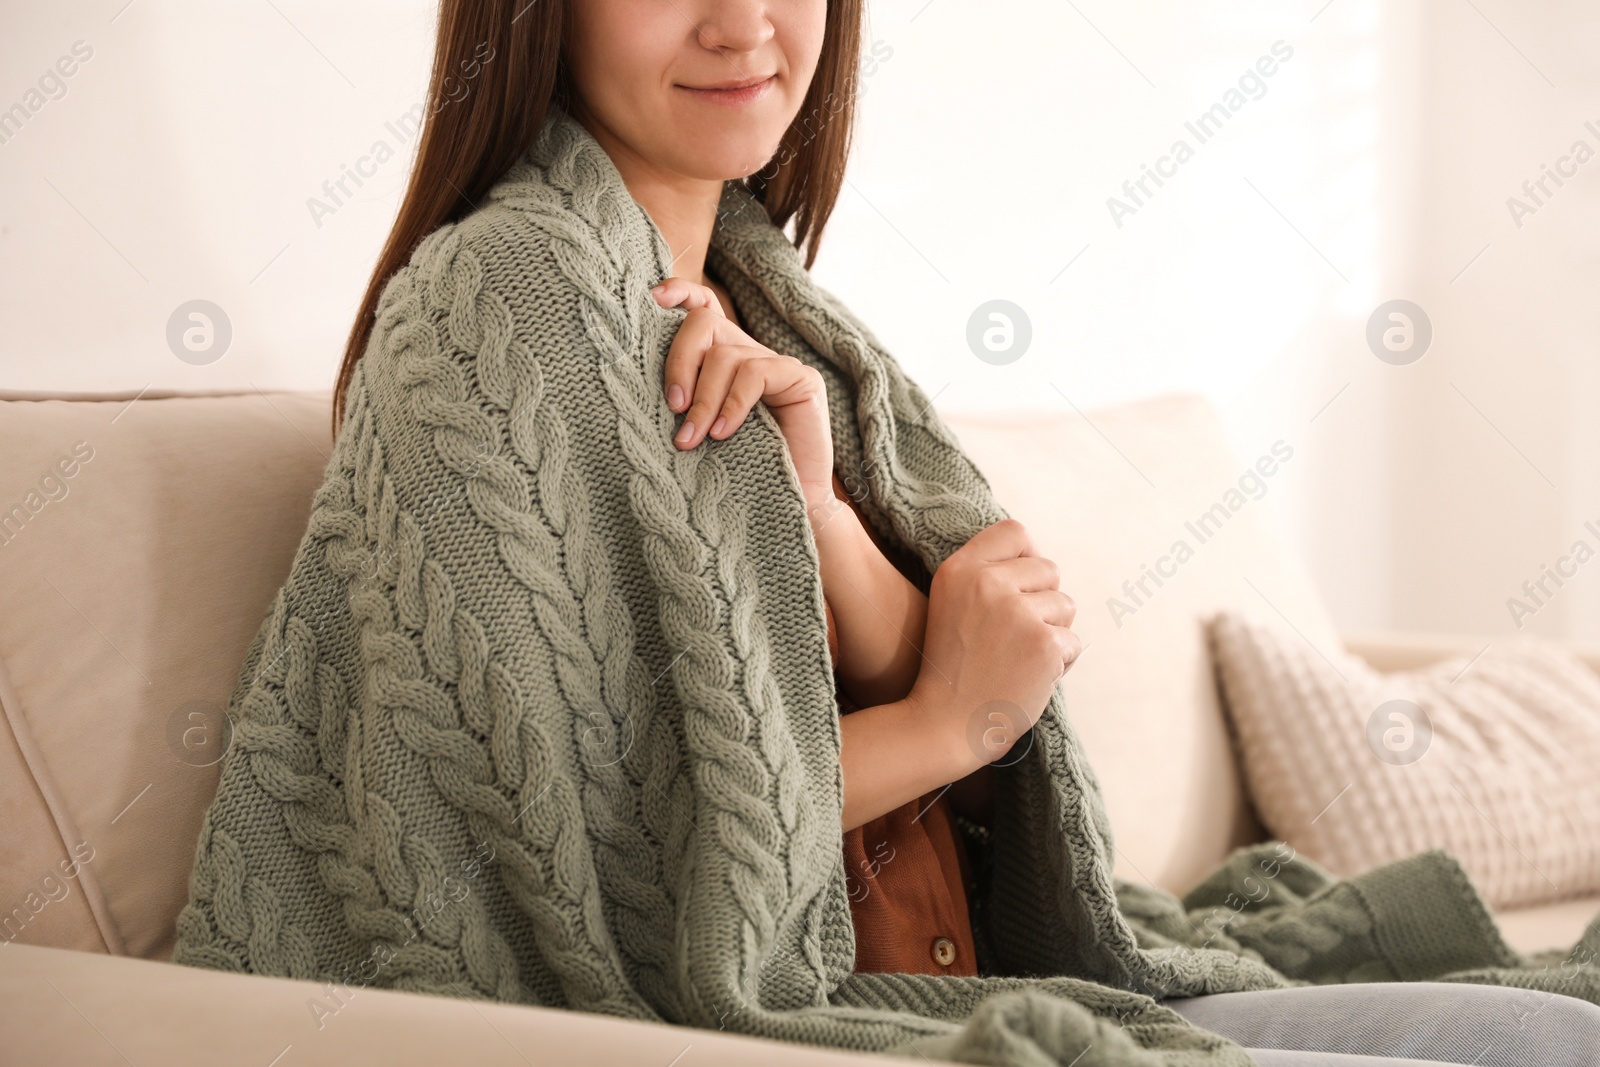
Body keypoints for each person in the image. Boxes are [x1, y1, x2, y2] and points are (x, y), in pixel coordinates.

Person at [302, 2, 1600, 1063]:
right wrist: (948, 721)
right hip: (809, 1025)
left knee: (1551, 1034)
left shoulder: (776, 309)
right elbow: (591, 865)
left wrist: (819, 521)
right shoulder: (494, 312)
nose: (746, 22)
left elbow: (994, 782)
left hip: (998, 980)